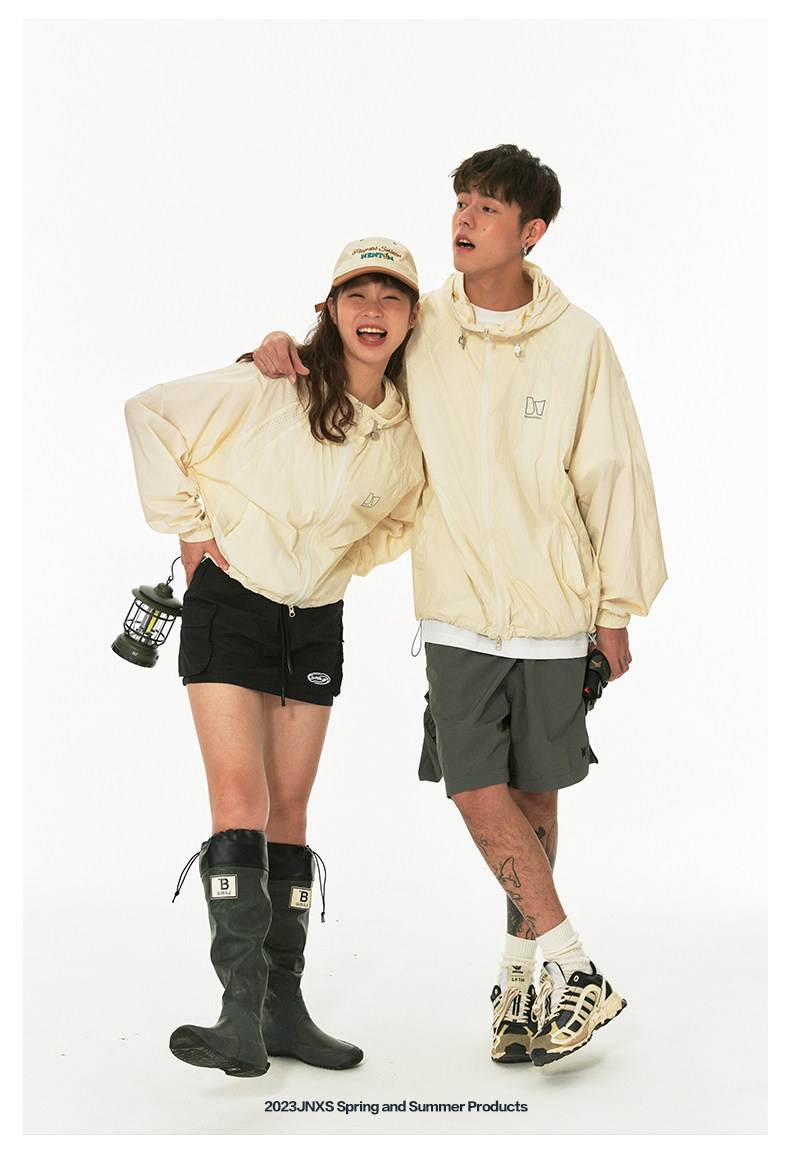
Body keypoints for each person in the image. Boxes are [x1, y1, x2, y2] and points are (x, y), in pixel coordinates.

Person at [253, 145, 667, 1068]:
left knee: (534, 794)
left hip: (555, 605)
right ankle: (578, 969)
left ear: (532, 231)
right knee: (477, 789)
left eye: (488, 207)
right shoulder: (423, 323)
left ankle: (520, 986)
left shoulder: (580, 341)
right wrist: (282, 344)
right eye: (462, 202)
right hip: (455, 605)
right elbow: (349, 352)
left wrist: (617, 608)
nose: (465, 219)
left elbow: (614, 473)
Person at [124, 238, 424, 1077]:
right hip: (232, 606)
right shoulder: (272, 383)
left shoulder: (406, 429)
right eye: (357, 294)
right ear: (329, 309)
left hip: (315, 619)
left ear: (411, 317)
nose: (373, 311)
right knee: (240, 797)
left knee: (289, 810)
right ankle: (237, 1012)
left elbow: (407, 515)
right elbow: (148, 413)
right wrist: (193, 529)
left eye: (391, 297)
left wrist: (342, 560)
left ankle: (280, 1009)